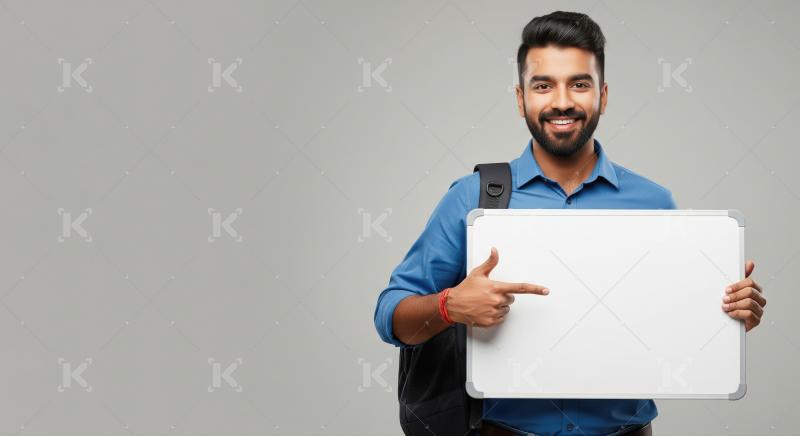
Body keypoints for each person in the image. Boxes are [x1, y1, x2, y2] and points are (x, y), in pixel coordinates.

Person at [374, 10, 767, 436]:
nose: (562, 101)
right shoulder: (474, 198)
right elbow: (390, 316)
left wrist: (728, 314)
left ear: (603, 95)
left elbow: (675, 325)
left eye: (579, 84)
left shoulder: (654, 202)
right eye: (543, 86)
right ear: (521, 98)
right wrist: (450, 305)